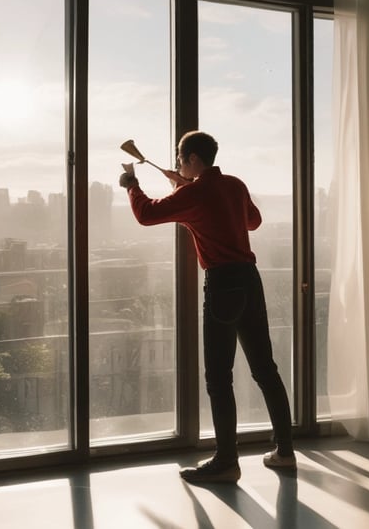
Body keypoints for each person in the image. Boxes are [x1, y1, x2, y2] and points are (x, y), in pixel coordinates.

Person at [118, 130, 296, 483]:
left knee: (218, 377)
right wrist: (186, 190)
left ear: (193, 159)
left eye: (180, 158)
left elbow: (146, 214)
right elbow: (253, 221)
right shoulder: (234, 185)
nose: (178, 163)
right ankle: (285, 452)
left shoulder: (194, 193)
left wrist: (131, 185)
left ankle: (227, 462)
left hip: (223, 285)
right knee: (266, 369)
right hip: (250, 280)